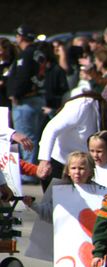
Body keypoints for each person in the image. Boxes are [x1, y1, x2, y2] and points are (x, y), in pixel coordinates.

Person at [24, 151, 99, 267]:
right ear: (67, 170)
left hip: (89, 241)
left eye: (82, 168)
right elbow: (48, 213)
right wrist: (33, 205)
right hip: (68, 242)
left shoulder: (97, 192)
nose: (77, 172)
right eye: (73, 168)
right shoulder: (62, 191)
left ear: (90, 171)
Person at [36, 79, 107, 189]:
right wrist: (44, 160)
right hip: (58, 165)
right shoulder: (83, 106)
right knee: (54, 205)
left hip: (82, 170)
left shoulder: (106, 117)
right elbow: (51, 129)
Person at [7, 25, 46, 169]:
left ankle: (31, 170)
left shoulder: (26, 54)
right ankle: (34, 168)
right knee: (34, 136)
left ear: (21, 37)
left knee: (25, 137)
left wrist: (15, 94)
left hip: (26, 101)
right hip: (38, 97)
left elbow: (23, 76)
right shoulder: (39, 52)